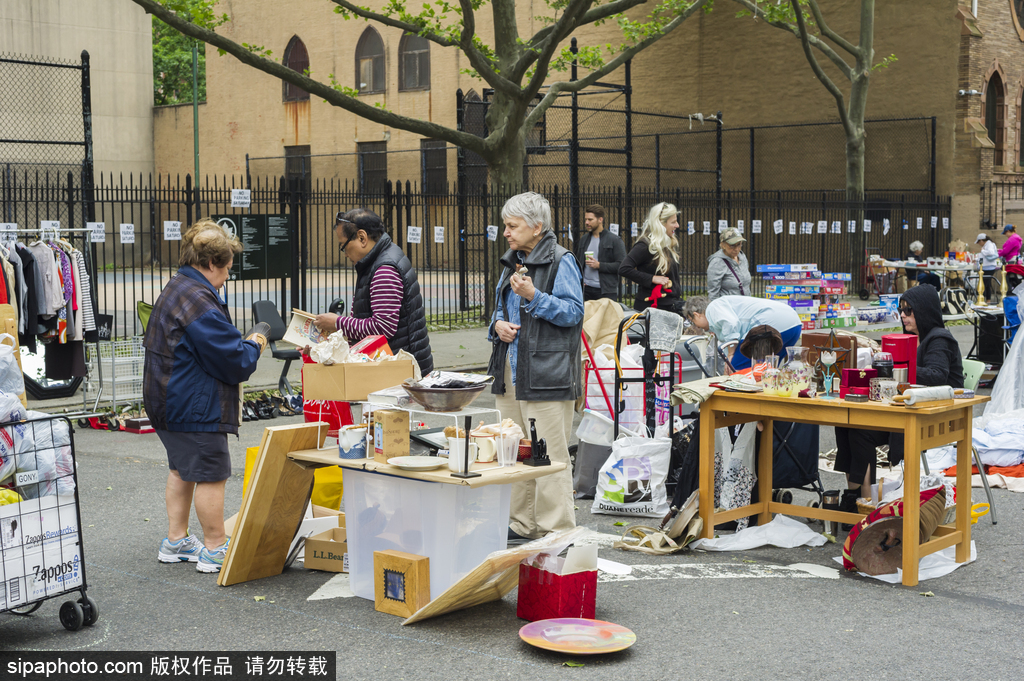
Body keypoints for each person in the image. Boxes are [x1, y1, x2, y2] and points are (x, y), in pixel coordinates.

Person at [144, 219, 268, 573]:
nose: (228, 275)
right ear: (211, 263)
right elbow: (235, 360)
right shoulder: (199, 301)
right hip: (194, 404)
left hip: (167, 398)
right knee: (211, 473)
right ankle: (215, 547)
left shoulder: (179, 285)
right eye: (227, 267)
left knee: (182, 469)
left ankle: (176, 540)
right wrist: (256, 341)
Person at [486, 192, 584, 544]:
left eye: (512, 226)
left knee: (549, 454)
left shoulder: (561, 260)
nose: (506, 232)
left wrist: (534, 296)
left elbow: (574, 313)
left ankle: (557, 529)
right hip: (510, 370)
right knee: (515, 451)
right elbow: (498, 310)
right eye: (506, 225)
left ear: (537, 227)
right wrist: (497, 325)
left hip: (547, 372)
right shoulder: (513, 261)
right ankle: (523, 523)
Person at [833, 284, 964, 517]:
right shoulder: (912, 338)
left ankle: (867, 504)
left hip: (938, 417)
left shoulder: (940, 339)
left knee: (860, 432)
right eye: (901, 309)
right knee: (846, 424)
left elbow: (937, 375)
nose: (903, 315)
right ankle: (853, 497)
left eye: (908, 310)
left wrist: (894, 366)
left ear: (924, 310)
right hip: (909, 410)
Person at [313, 208, 433, 375]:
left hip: (399, 373)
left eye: (343, 246)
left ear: (362, 238)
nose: (345, 254)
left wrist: (338, 323)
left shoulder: (384, 270)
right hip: (398, 365)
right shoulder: (382, 258)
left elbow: (383, 327)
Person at [682, 295, 802, 371]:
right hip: (794, 324)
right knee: (768, 369)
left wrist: (731, 354)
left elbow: (731, 323)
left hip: (770, 323)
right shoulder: (724, 305)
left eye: (692, 321)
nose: (695, 326)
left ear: (697, 314)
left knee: (737, 368)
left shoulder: (713, 308)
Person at [618, 202, 682, 312]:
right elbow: (624, 268)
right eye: (673, 222)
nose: (677, 225)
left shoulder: (666, 243)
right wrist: (652, 278)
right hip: (652, 307)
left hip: (669, 305)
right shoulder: (645, 245)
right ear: (661, 224)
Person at [574, 203, 626, 301]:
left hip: (606, 291)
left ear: (600, 220)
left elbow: (622, 266)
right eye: (586, 219)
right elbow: (578, 263)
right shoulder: (584, 239)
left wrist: (599, 265)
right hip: (586, 290)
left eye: (590, 219)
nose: (586, 222)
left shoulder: (614, 240)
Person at [706, 228, 751, 299]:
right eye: (732, 245)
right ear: (723, 245)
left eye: (739, 244)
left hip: (745, 303)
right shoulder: (717, 262)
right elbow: (713, 293)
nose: (736, 249)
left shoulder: (742, 256)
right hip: (728, 304)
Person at [976, 232, 1000, 303]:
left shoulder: (989, 244)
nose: (979, 244)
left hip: (988, 267)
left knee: (985, 284)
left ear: (981, 240)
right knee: (986, 284)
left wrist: (982, 251)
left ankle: (984, 299)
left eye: (978, 242)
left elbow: (990, 252)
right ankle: (986, 299)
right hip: (986, 267)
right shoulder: (988, 244)